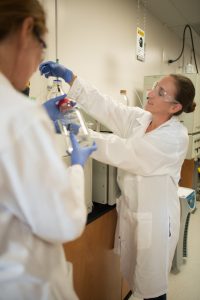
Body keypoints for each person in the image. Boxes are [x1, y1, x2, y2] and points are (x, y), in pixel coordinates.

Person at [39, 60, 196, 300]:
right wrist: (71, 78)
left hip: (155, 221)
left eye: (161, 92)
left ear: (174, 108)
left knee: (154, 288)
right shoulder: (142, 119)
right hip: (135, 215)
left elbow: (126, 152)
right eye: (155, 86)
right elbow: (109, 107)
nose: (151, 92)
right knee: (138, 278)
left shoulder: (174, 139)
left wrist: (77, 130)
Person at [0, 1, 97, 300]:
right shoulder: (20, 116)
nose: (36, 64)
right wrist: (77, 167)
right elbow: (64, 222)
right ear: (27, 29)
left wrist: (37, 115)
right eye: (41, 47)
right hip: (26, 285)